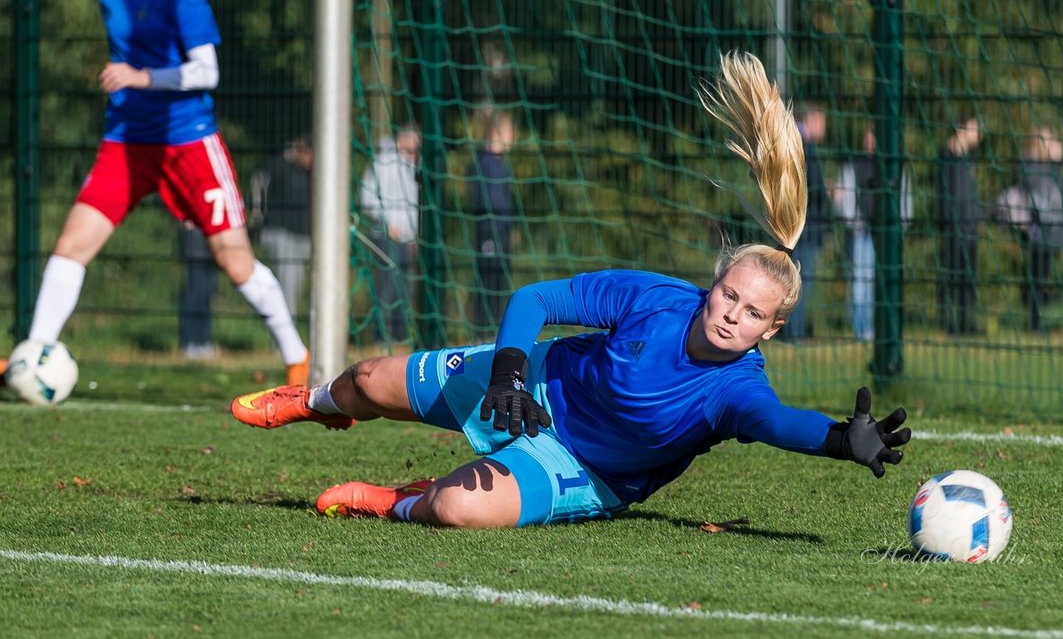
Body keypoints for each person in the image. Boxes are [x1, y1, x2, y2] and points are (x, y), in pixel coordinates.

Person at [228, 52, 911, 530]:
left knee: (455, 511)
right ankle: (316, 403)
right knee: (370, 379)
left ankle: (397, 500)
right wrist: (511, 372)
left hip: (582, 466)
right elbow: (536, 302)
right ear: (712, 284)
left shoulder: (737, 390)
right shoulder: (655, 297)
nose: (731, 315)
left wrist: (834, 440)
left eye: (752, 312)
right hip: (533, 386)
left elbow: (774, 423)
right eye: (728, 295)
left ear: (770, 330)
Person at [0, 0, 310, 387]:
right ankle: (30, 359)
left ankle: (297, 360)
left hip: (189, 141)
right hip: (128, 141)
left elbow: (207, 72)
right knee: (71, 247)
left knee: (233, 258)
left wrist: (142, 78)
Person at [832, 126, 913, 342]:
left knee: (884, 282)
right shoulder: (854, 165)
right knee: (860, 281)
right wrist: (853, 221)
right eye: (868, 136)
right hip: (861, 233)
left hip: (886, 234)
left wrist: (900, 226)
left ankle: (883, 329)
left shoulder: (893, 166)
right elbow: (844, 197)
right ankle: (862, 330)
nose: (870, 142)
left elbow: (904, 199)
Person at [992, 128, 1063, 332]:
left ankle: (1036, 321)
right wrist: (1054, 162)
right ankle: (1035, 323)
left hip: (1048, 232)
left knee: (1041, 277)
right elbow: (1039, 192)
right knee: (1036, 278)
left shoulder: (1044, 168)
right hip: (1037, 232)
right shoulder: (1032, 167)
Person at [358, 124, 420, 343]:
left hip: (406, 238)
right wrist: (388, 223)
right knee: (386, 289)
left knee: (404, 290)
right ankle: (380, 338)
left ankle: (401, 338)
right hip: (385, 237)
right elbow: (367, 199)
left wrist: (412, 234)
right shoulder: (383, 161)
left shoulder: (411, 164)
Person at [778, 102, 830, 341]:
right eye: (822, 121)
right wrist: (827, 191)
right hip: (804, 228)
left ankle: (788, 331)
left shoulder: (792, 143)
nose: (825, 127)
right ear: (812, 120)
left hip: (795, 225)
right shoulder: (802, 146)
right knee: (798, 281)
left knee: (789, 280)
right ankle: (792, 333)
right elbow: (813, 188)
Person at [253, 135, 313, 317]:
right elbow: (258, 190)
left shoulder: (310, 173)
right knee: (287, 285)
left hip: (303, 235)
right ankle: (284, 337)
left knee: (296, 287)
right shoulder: (276, 166)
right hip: (281, 233)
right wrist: (257, 221)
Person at [935, 115, 983, 335]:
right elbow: (946, 195)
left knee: (967, 277)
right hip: (955, 226)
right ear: (962, 129)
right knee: (952, 275)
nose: (978, 133)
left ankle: (967, 322)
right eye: (974, 128)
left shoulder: (968, 159)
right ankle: (950, 322)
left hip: (970, 225)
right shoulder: (948, 156)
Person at [470, 110, 516, 334]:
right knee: (487, 283)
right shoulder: (484, 162)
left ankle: (494, 330)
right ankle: (483, 332)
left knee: (499, 283)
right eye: (510, 131)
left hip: (501, 233)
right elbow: (485, 201)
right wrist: (491, 230)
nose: (513, 136)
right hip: (489, 234)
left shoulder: (500, 163)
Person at [178, 223, 218, 359]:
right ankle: (191, 342)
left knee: (206, 295)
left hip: (210, 242)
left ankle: (204, 341)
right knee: (195, 293)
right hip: (196, 244)